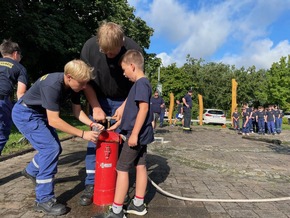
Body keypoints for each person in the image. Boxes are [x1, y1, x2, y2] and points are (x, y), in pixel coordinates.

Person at [12, 60, 104, 216]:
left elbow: (77, 112)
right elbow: (54, 120)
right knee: (50, 149)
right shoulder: (52, 85)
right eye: (81, 84)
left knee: (55, 148)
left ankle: (31, 171)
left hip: (39, 114)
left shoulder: (74, 85)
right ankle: (43, 200)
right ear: (69, 77)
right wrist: (83, 134)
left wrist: (92, 124)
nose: (84, 88)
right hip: (25, 114)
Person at [80, 21, 143, 206]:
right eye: (105, 52)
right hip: (97, 97)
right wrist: (95, 106)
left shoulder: (134, 49)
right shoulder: (90, 47)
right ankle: (91, 184)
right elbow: (86, 82)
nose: (109, 56)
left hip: (125, 99)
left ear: (122, 43)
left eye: (113, 53)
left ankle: (115, 184)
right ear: (99, 43)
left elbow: (137, 83)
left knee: (121, 142)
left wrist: (125, 107)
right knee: (95, 140)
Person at [93, 50, 154, 218]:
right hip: (142, 134)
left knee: (121, 169)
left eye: (124, 69)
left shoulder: (140, 84)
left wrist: (133, 134)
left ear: (132, 66)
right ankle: (138, 204)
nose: (124, 74)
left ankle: (117, 211)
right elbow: (131, 111)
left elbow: (143, 109)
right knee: (140, 166)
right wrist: (118, 124)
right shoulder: (142, 84)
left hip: (136, 136)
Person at [0, 39, 28, 155]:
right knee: (1, 134)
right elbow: (20, 94)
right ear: (15, 53)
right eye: (20, 54)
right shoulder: (19, 68)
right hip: (2, 101)